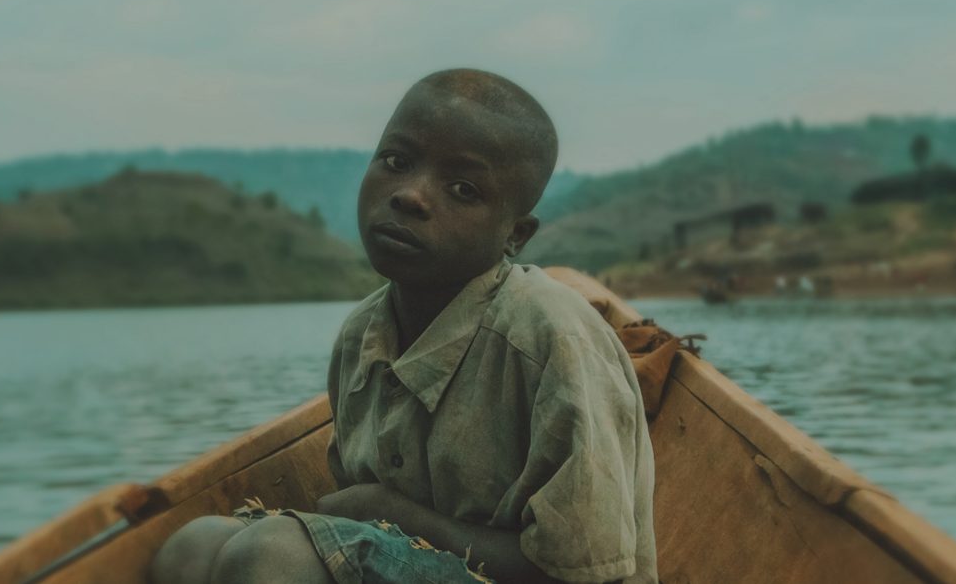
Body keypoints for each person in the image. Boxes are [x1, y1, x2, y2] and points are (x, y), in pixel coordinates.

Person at [150, 69, 658, 583]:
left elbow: (582, 572)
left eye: (462, 189)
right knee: (192, 549)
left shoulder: (551, 337)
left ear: (515, 234)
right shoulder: (362, 335)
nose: (410, 195)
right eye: (397, 162)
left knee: (271, 556)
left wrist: (386, 509)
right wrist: (376, 517)